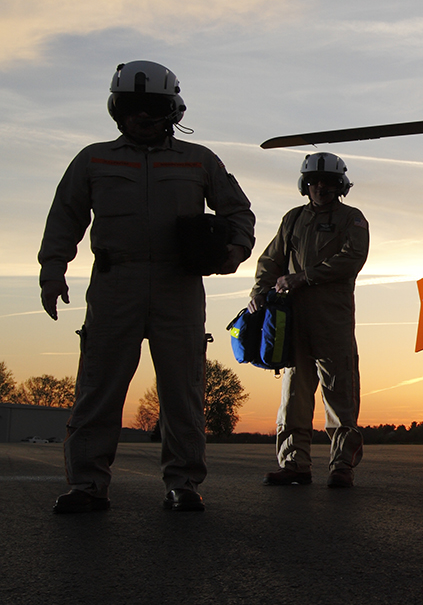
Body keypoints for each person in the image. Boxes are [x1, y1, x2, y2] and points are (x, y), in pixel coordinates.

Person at [39, 60, 255, 513]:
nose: (141, 115)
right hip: (116, 284)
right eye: (132, 106)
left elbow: (239, 213)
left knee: (183, 390)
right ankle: (88, 485)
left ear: (172, 109)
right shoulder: (93, 159)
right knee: (98, 388)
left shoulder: (199, 160)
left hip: (179, 285)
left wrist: (234, 252)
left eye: (151, 106)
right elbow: (65, 218)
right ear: (117, 109)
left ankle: (183, 483)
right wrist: (53, 268)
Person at [251, 152, 368, 488]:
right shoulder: (293, 219)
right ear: (305, 184)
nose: (321, 187)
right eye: (315, 181)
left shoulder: (353, 219)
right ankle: (294, 464)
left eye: (329, 182)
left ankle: (341, 465)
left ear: (340, 185)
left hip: (332, 320)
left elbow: (351, 259)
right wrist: (259, 291)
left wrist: (303, 278)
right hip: (293, 322)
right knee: (293, 396)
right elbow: (271, 260)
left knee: (339, 393)